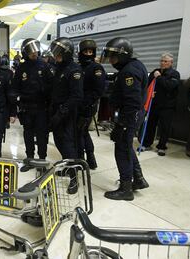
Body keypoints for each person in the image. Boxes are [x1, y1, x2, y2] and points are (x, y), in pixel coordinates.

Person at [101, 37, 149, 201]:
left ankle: (125, 188)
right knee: (126, 147)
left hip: (129, 116)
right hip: (134, 114)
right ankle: (139, 179)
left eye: (114, 57)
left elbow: (132, 102)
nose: (111, 60)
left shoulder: (129, 71)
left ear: (123, 55)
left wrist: (121, 125)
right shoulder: (136, 64)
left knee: (121, 149)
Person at [12, 38, 54, 171]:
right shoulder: (21, 68)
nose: (34, 54)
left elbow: (52, 87)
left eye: (36, 51)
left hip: (42, 108)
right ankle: (29, 159)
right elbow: (14, 88)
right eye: (31, 52)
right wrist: (17, 100)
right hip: (26, 108)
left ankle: (42, 160)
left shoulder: (45, 66)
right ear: (25, 53)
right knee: (28, 135)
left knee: (42, 135)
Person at [49, 37, 83, 194]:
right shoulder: (59, 67)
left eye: (59, 53)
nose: (56, 56)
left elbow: (76, 96)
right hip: (57, 111)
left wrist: (62, 113)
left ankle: (74, 177)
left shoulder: (74, 70)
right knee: (59, 142)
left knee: (69, 145)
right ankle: (69, 169)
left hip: (67, 113)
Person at [141, 53, 181, 156]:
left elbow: (169, 86)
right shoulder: (155, 71)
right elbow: (148, 85)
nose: (163, 63)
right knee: (150, 125)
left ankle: (162, 146)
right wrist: (149, 94)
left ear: (171, 63)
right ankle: (147, 143)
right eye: (162, 61)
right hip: (154, 104)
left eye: (165, 61)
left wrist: (159, 77)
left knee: (165, 127)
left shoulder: (175, 74)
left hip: (167, 106)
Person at [77, 39, 106, 169]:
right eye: (85, 51)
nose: (88, 54)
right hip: (77, 105)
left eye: (90, 51)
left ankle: (83, 159)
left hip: (87, 106)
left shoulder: (96, 68)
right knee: (83, 133)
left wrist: (87, 103)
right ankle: (90, 159)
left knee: (80, 132)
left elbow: (99, 90)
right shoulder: (77, 66)